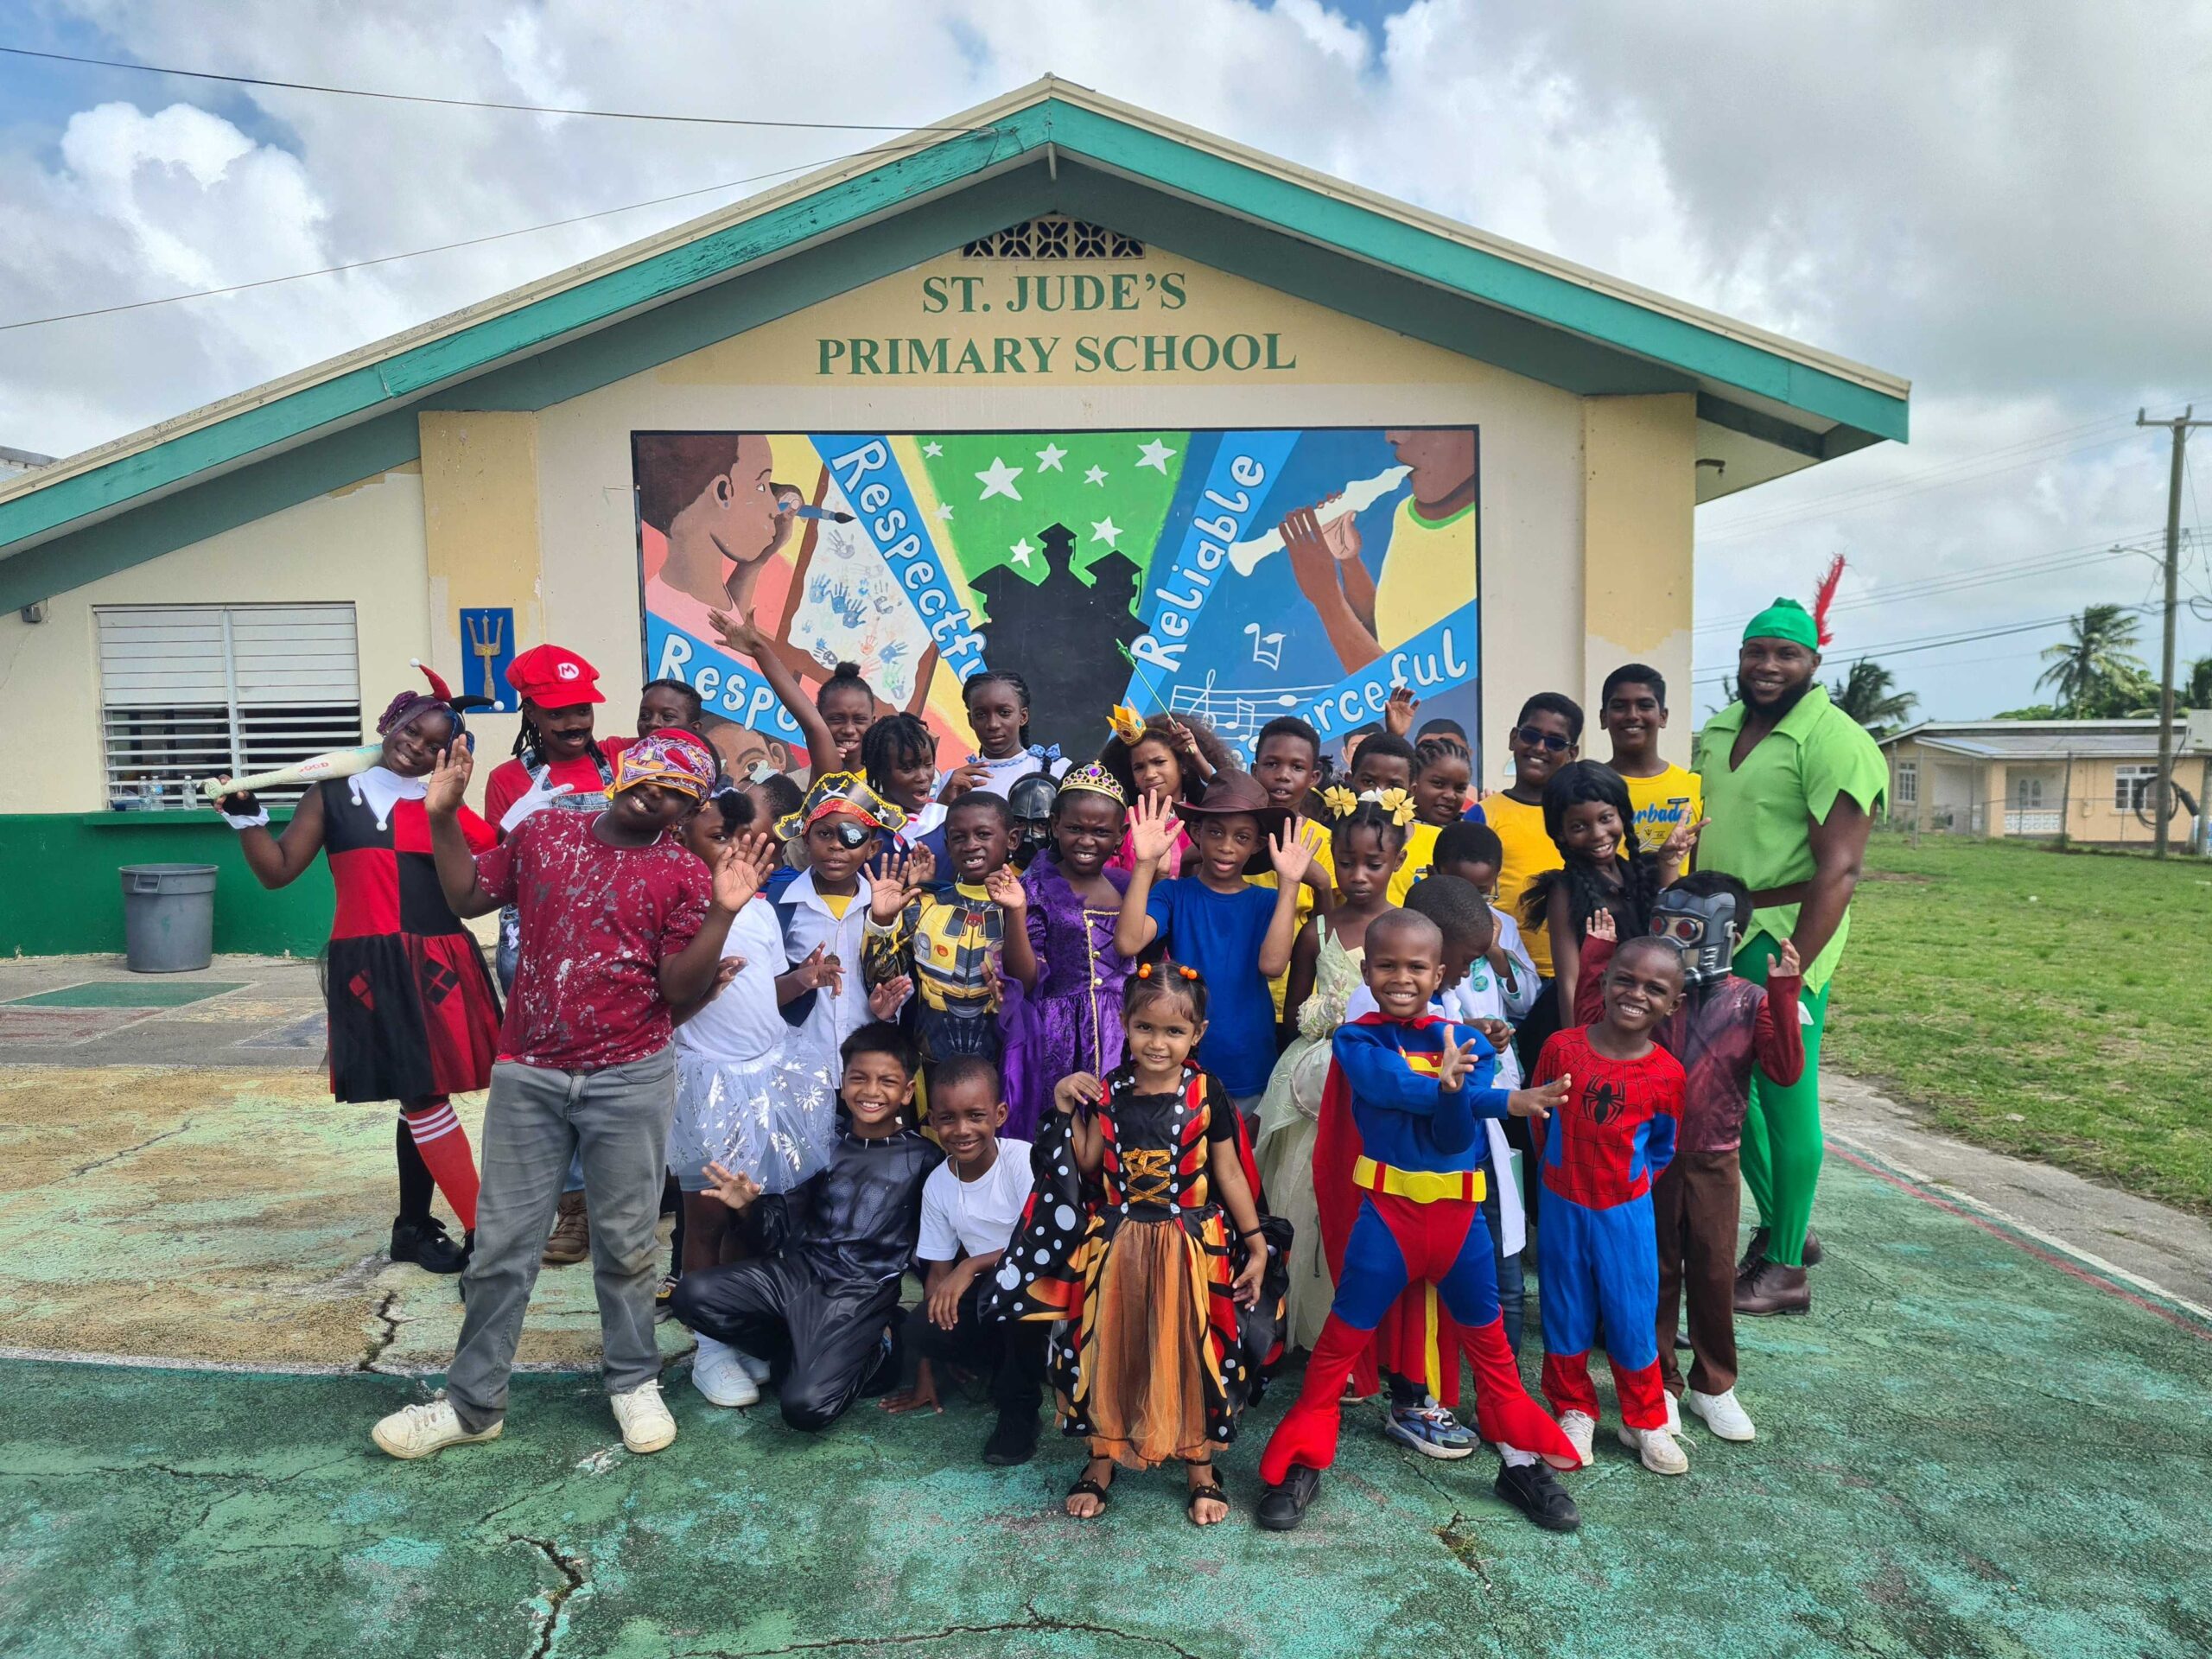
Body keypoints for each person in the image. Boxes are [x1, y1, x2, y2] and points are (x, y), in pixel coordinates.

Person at [370, 731, 751, 1460]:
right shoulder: (545, 831)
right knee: (501, 1249)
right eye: (652, 773)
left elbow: (676, 988)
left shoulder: (681, 872)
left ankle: (633, 1382)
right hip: (531, 1073)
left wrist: (722, 914)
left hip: (630, 1076)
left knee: (627, 1245)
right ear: (625, 768)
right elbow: (467, 895)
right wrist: (442, 816)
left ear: (689, 810)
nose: (658, 791)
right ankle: (473, 1404)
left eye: (679, 791)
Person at [1254, 909, 1576, 1535]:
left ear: (1440, 973)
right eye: (1387, 965)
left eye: (1416, 967)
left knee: (1492, 1352)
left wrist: (1474, 1096)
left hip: (1458, 1225)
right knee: (1338, 1349)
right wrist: (1485, 1096)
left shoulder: (1465, 1041)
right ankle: (1302, 1459)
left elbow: (1453, 1134)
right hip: (1387, 1222)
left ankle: (1520, 1462)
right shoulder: (1358, 1040)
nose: (1401, 978)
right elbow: (1389, 1088)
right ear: (1366, 972)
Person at [215, 666, 498, 1275]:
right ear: (388, 723)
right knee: (422, 1093)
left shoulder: (444, 807)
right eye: (410, 730)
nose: (416, 746)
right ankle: (485, 1236)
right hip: (371, 964)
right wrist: (248, 819)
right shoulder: (331, 796)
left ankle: (414, 1228)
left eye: (434, 744)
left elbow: (497, 866)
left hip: (439, 961)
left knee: (422, 1095)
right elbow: (277, 871)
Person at [993, 963, 1273, 1526]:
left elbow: (1229, 1173)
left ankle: (1200, 1466)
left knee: (1192, 1349)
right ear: (1124, 1024)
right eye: (1146, 1027)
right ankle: (1101, 1459)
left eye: (1174, 1031)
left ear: (1197, 1033)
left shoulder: (1207, 1092)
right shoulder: (1109, 1092)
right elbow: (1087, 1162)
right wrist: (1065, 1104)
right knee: (1108, 1348)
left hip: (1190, 1249)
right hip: (1116, 1248)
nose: (1158, 1042)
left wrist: (1257, 1244)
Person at [1694, 577, 1885, 1317]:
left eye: (1785, 654)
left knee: (1784, 1094)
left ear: (1813, 662)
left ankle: (1785, 1272)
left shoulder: (1838, 742)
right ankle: (1788, 1228)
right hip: (1719, 930)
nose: (1767, 666)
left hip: (1783, 936)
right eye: (1756, 652)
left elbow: (1840, 869)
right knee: (1723, 1091)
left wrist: (1793, 965)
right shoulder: (1720, 729)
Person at [1575, 880, 1804, 1442]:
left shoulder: (1748, 1001)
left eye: (1687, 931)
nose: (1672, 943)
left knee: (1714, 1271)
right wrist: (1598, 962)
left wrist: (1782, 993)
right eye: (1662, 927)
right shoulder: (1654, 994)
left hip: (1715, 1157)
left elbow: (1784, 1070)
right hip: (1646, 1155)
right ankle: (1657, 1384)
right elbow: (1591, 1028)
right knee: (1653, 1271)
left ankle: (1714, 1385)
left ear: (1730, 936)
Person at [1332, 876, 1529, 1456]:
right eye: (1465, 959)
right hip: (1401, 1180)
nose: (1465, 973)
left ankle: (1494, 1407)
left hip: (1457, 1170)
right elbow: (1396, 1083)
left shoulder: (1442, 1005)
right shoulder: (1371, 1012)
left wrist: (1481, 1046)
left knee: (1477, 1293)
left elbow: (1461, 1057)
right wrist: (1464, 1089)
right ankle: (1413, 1401)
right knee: (1404, 1303)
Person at [671, 1021, 942, 1432]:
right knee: (691, 1294)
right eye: (859, 1078)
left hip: (860, 1295)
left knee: (804, 1408)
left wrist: (929, 1353)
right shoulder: (821, 1142)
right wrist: (747, 1209)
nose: (871, 1091)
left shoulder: (925, 1159)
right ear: (843, 1083)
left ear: (907, 1092)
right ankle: (793, 1349)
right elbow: (777, 1230)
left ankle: (879, 1346)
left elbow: (936, 1251)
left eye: (887, 1081)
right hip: (798, 1276)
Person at [665, 785, 841, 1409]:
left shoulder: (761, 910)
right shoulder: (682, 907)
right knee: (706, 1217)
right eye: (719, 836)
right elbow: (671, 998)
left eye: (745, 838)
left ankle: (735, 1326)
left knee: (750, 1210)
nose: (735, 849)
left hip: (768, 1079)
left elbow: (763, 991)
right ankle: (708, 1348)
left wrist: (803, 979)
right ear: (683, 833)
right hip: (707, 1083)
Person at [480, 644, 629, 1269]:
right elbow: (496, 869)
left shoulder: (622, 759)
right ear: (532, 714)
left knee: (619, 1076)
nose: (574, 722)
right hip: (538, 946)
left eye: (582, 709)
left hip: (620, 940)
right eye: (558, 711)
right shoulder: (507, 780)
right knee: (558, 1079)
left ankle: (622, 1198)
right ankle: (573, 1204)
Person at [1529, 934, 1689, 1476]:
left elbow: (1662, 1147)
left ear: (1673, 1003)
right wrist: (1558, 1173)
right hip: (1562, 1205)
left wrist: (1627, 1184)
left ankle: (1644, 1418)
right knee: (1565, 1307)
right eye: (1626, 979)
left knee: (1631, 1312)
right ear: (1604, 981)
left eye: (1654, 989)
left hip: (1625, 1213)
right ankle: (1574, 1409)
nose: (1636, 994)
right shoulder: (1561, 1049)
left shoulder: (1667, 1075)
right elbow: (1539, 1120)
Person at [1253, 792, 1406, 1351]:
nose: (1358, 875)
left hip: (1381, 1080)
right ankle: (1308, 1320)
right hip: (1315, 1081)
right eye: (1346, 863)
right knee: (1305, 1192)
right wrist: (1325, 1020)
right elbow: (1295, 1011)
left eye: (1374, 863)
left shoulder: (1407, 928)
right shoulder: (1317, 930)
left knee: (1369, 1198)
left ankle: (1370, 1327)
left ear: (1398, 861)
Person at [879, 1056, 1051, 1465]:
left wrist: (969, 1265)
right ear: (932, 1122)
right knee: (921, 1326)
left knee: (1011, 1296)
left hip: (1041, 1286)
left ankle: (1019, 1411)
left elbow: (1039, 1243)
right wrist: (926, 1371)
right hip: (989, 1294)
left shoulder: (1022, 1160)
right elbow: (938, 1273)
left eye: (976, 1116)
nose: (961, 1130)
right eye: (948, 1118)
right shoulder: (938, 1183)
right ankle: (997, 1363)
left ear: (999, 1114)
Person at [1113, 775, 1313, 1117]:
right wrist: (1146, 863)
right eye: (1216, 832)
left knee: (1242, 1151)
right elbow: (1128, 942)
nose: (1226, 846)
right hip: (1179, 1059)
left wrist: (1290, 883)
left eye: (1242, 837)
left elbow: (1273, 965)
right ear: (1197, 832)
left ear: (1258, 845)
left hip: (1248, 1058)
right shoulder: (1174, 893)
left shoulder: (1268, 902)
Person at [999, 764, 1134, 1140]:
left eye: (1101, 832)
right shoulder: (1036, 888)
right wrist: (1016, 912)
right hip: (1060, 1035)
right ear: (1055, 825)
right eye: (1075, 828)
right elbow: (1025, 980)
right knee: (1063, 1133)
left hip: (1125, 1034)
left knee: (1118, 1131)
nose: (1086, 841)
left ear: (1120, 835)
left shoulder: (1128, 888)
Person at [1522, 760, 1701, 1031]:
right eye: (1579, 826)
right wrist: (1576, 1047)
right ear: (1560, 833)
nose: (1598, 834)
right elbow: (1570, 982)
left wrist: (1669, 866)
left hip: (1642, 1016)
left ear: (1623, 814)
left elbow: (1671, 941)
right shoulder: (1565, 890)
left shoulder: (1644, 872)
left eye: (1606, 818)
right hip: (1592, 1025)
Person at [1279, 429, 1478, 674]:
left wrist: (1327, 598)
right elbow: (1389, 636)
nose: (1392, 436)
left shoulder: (1484, 540)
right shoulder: (1408, 512)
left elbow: (1394, 687)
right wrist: (1349, 561)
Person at [861, 794, 1037, 1068]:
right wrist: (882, 921)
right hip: (930, 1064)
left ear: (1012, 839)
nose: (971, 845)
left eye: (983, 834)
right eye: (958, 837)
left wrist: (1016, 912)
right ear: (947, 846)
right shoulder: (924, 903)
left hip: (1003, 1066)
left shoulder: (1030, 904)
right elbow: (883, 982)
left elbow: (1029, 985)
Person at [769, 772, 897, 1078]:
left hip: (866, 1065)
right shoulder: (780, 904)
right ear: (806, 840)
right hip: (798, 1064)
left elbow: (896, 983)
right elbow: (762, 991)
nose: (836, 846)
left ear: (872, 848)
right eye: (824, 834)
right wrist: (800, 979)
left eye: (851, 836)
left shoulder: (884, 907)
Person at [708, 609, 876, 782]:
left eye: (859, 720)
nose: (849, 730)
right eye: (836, 719)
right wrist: (758, 650)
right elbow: (813, 726)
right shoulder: (794, 785)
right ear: (818, 717)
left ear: (874, 722)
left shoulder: (886, 781)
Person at [1100, 708, 1230, 880]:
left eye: (1159, 762)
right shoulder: (1121, 822)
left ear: (1183, 766)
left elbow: (1227, 790)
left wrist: (1196, 756)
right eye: (1139, 767)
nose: (1149, 774)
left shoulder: (1202, 821)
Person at [1431, 820, 1540, 1011]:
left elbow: (1526, 1003)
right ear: (1433, 874)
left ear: (1495, 880)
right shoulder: (1420, 929)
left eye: (1482, 892)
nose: (1470, 902)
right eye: (1460, 890)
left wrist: (1495, 952)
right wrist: (1468, 1024)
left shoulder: (1504, 925)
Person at [1597, 664, 1702, 855]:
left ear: (1663, 717)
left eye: (1644, 705)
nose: (1632, 715)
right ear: (1604, 718)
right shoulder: (1588, 787)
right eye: (1619, 706)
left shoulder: (1696, 786)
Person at [959, 670, 1070, 798]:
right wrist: (945, 801)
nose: (993, 724)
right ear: (971, 721)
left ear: (1023, 717)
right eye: (981, 715)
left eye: (1004, 713)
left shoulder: (1057, 769)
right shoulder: (958, 781)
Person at [636, 678, 705, 736]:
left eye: (667, 716)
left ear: (693, 729)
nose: (653, 723)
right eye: (644, 715)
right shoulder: (630, 748)